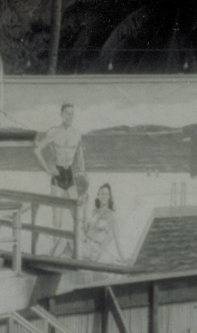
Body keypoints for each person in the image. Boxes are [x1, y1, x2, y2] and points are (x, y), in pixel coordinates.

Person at [33, 103, 84, 255]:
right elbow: (37, 150)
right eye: (67, 113)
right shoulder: (54, 132)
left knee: (77, 213)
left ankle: (77, 248)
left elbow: (80, 157)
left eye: (72, 114)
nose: (70, 117)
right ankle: (56, 250)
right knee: (57, 217)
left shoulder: (77, 134)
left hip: (71, 175)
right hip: (58, 175)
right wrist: (48, 170)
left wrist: (83, 174)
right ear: (61, 114)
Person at [81, 183, 127, 264]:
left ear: (109, 197)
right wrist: (85, 209)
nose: (104, 196)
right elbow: (86, 231)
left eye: (106, 194)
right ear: (98, 195)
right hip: (86, 244)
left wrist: (123, 258)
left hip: (97, 250)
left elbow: (116, 238)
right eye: (102, 193)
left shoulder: (111, 215)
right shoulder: (94, 212)